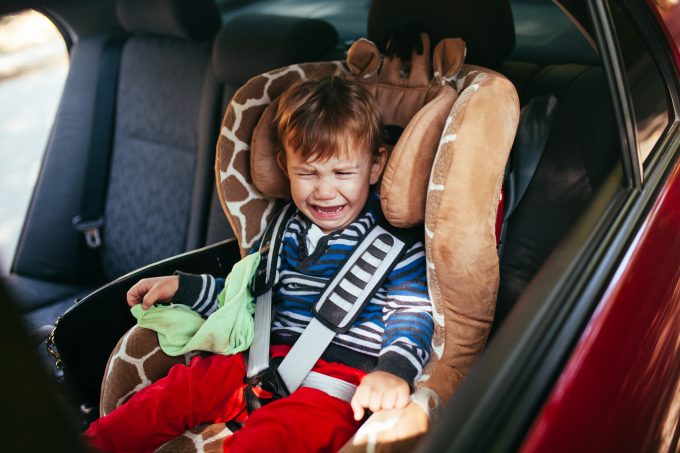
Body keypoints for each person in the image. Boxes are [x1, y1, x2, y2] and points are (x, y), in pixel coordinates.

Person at [84, 75, 433, 453]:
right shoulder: (283, 227)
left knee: (270, 439)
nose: (325, 190)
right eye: (307, 173)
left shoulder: (394, 243)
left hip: (337, 385)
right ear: (284, 165)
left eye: (343, 173)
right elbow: (246, 292)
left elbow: (412, 312)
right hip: (258, 361)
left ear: (376, 165)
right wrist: (182, 287)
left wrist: (392, 371)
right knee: (175, 392)